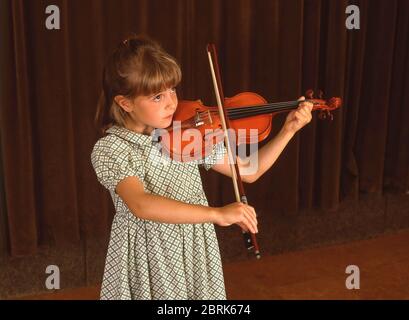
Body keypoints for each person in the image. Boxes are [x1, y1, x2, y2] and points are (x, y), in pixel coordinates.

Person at [91, 34, 313, 300]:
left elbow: (248, 170)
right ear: (125, 103)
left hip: (195, 248)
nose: (172, 102)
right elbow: (141, 204)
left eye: (172, 89)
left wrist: (288, 130)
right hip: (150, 256)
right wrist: (217, 214)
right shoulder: (112, 149)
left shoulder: (186, 131)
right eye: (157, 97)